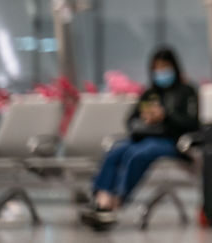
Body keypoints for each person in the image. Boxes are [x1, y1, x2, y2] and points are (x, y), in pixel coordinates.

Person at [81, 47, 199, 230]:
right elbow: (131, 120)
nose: (161, 72)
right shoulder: (149, 93)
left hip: (170, 141)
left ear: (174, 67)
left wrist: (165, 116)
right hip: (144, 137)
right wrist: (145, 119)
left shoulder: (186, 92)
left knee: (138, 154)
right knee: (115, 151)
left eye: (164, 67)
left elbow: (192, 123)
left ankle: (117, 201)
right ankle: (101, 201)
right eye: (157, 68)